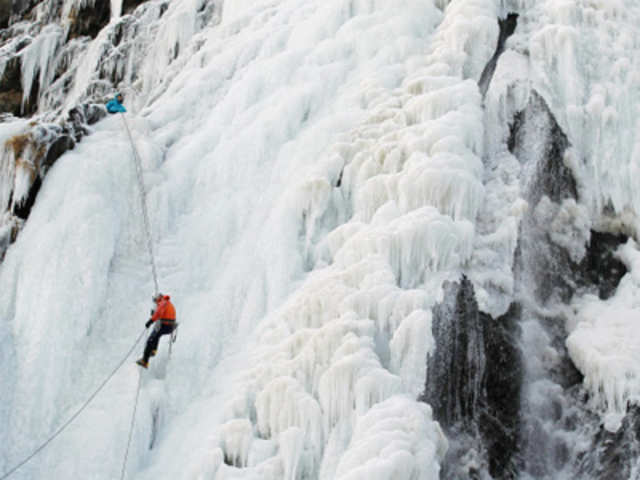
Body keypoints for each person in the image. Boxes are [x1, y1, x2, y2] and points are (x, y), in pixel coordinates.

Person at [136, 293, 177, 368]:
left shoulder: (163, 302)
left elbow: (159, 313)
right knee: (156, 334)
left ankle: (145, 361)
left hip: (166, 326)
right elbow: (161, 313)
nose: (155, 303)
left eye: (155, 300)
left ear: (158, 298)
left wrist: (150, 321)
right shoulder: (166, 302)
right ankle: (153, 350)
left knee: (150, 340)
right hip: (169, 326)